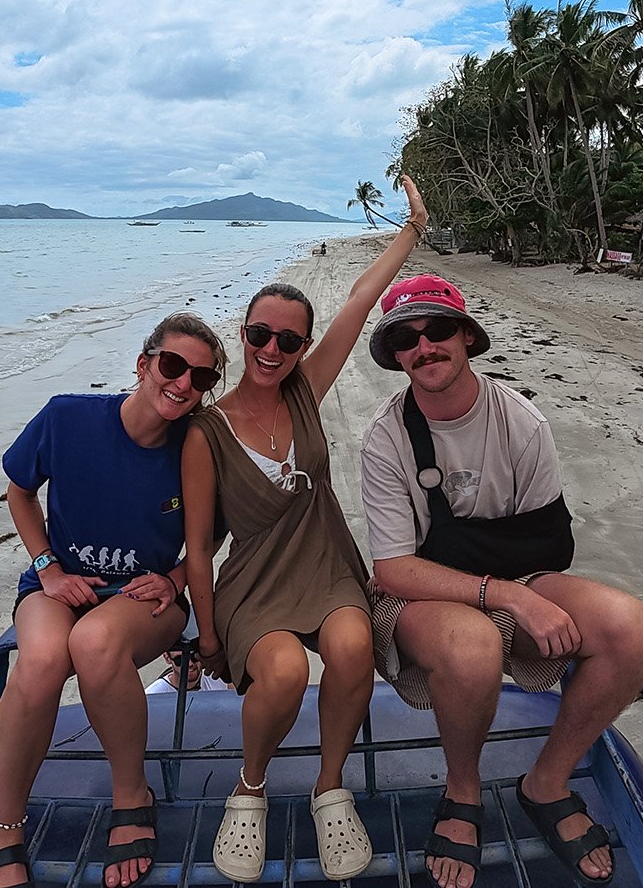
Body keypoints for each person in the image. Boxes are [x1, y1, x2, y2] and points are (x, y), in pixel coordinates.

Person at [358, 273, 643, 888]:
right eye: (406, 338)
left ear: (467, 336)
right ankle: (463, 791)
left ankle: (546, 782)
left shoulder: (522, 423)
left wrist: (519, 592)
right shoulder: (385, 440)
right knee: (473, 644)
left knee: (633, 631)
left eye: (438, 330)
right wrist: (505, 595)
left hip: (518, 577)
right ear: (395, 356)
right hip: (419, 595)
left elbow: (544, 545)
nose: (425, 347)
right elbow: (392, 570)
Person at [182, 176, 428, 883]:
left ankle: (329, 787)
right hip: (255, 583)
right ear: (242, 334)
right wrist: (207, 636)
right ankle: (250, 788)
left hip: (326, 565)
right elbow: (198, 547)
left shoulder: (305, 391)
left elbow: (359, 300)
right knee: (286, 671)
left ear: (302, 346)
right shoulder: (206, 431)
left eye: (288, 340)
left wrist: (412, 229)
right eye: (260, 334)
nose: (272, 349)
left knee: (352, 648)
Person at [0, 312, 227, 888]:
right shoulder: (67, 418)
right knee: (41, 661)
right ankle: (5, 826)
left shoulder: (196, 447)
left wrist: (175, 578)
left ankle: (131, 795)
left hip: (147, 597)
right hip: (61, 584)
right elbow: (19, 492)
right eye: (173, 366)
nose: (183, 384)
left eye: (201, 378)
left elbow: (210, 532)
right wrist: (47, 567)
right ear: (143, 365)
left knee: (94, 642)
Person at [143, 644, 232, 694]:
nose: (190, 664)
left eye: (194, 657)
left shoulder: (219, 679)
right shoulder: (153, 696)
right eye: (180, 659)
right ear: (167, 658)